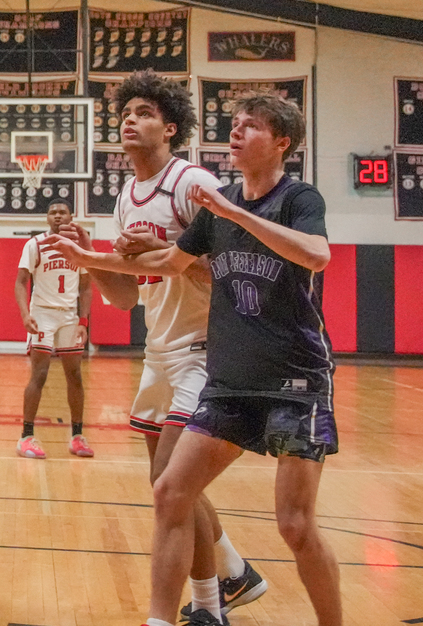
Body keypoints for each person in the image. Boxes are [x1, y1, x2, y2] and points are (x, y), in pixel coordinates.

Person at [45, 72, 268, 624]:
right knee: (169, 486)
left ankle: (206, 608)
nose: (129, 120)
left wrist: (168, 250)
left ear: (170, 128)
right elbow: (124, 296)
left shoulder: (192, 184)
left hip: (207, 349)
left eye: (143, 112)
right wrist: (89, 259)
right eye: (125, 112)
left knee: (171, 485)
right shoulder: (126, 196)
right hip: (160, 352)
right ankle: (235, 575)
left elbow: (237, 272)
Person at [13, 199, 93, 460]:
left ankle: (77, 436)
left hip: (69, 316)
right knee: (40, 374)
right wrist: (26, 315)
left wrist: (83, 321)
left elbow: (85, 286)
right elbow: (21, 282)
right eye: (53, 212)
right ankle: (26, 436)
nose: (58, 216)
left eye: (63, 212)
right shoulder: (35, 244)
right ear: (47, 217)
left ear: (71, 216)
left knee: (75, 376)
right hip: (43, 315)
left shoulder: (78, 247)